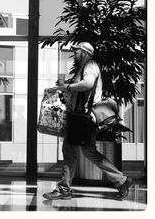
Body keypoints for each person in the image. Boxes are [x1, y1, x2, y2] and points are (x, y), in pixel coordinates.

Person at [43, 42, 132, 200]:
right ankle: (121, 180)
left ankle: (64, 189)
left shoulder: (90, 65)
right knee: (89, 152)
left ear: (84, 52)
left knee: (70, 151)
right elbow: (81, 92)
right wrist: (62, 91)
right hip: (84, 117)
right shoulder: (85, 67)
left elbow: (88, 84)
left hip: (83, 117)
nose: (74, 54)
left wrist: (67, 87)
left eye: (76, 51)